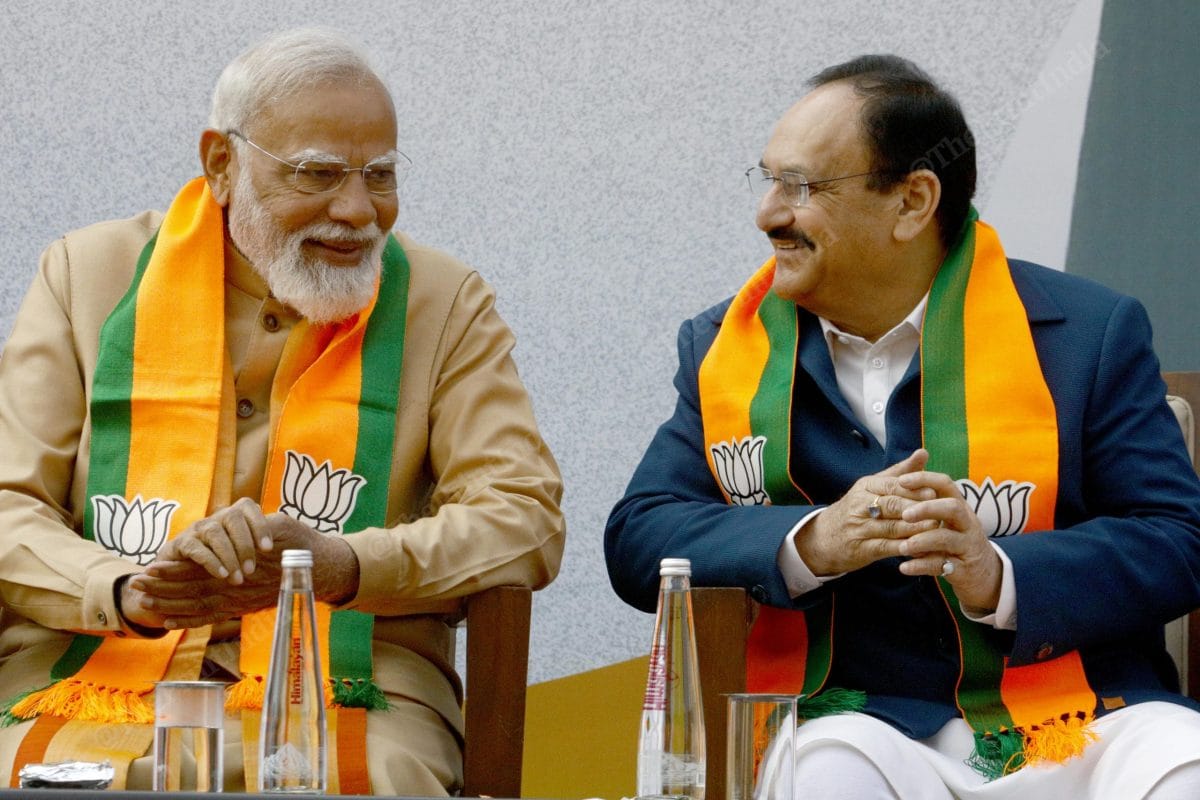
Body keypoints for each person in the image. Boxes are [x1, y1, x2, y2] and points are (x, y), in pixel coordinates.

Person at [605, 54, 1200, 799]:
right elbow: (639, 538)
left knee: (1185, 762)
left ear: (913, 201)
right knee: (816, 774)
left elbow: (1177, 539)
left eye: (803, 187)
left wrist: (1002, 576)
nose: (768, 214)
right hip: (861, 726)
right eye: (768, 181)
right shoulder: (729, 346)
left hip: (1077, 721)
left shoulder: (1084, 332)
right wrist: (812, 541)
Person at [0, 27, 564, 795]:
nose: (358, 210)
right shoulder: (84, 276)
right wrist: (125, 590)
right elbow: (8, 505)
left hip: (354, 683)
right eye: (317, 174)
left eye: (381, 176)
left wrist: (341, 566)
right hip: (92, 669)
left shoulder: (444, 301)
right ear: (221, 164)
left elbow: (524, 516)